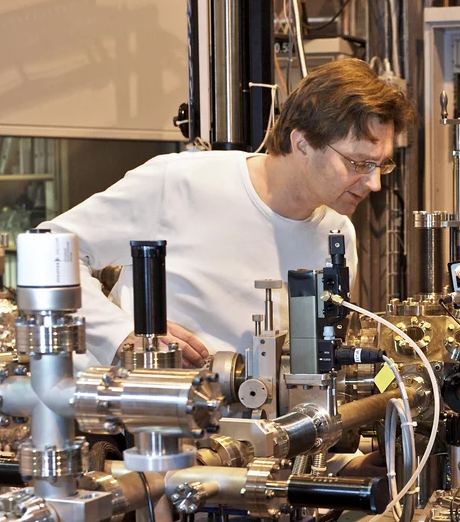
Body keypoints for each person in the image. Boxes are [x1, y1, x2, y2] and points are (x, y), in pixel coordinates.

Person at [41, 58, 415, 477]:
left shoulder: (337, 233)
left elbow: (309, 377)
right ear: (302, 143)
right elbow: (50, 247)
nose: (374, 183)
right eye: (359, 163)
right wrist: (123, 336)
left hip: (246, 465)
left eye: (382, 165)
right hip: (138, 445)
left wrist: (341, 465)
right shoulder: (181, 182)